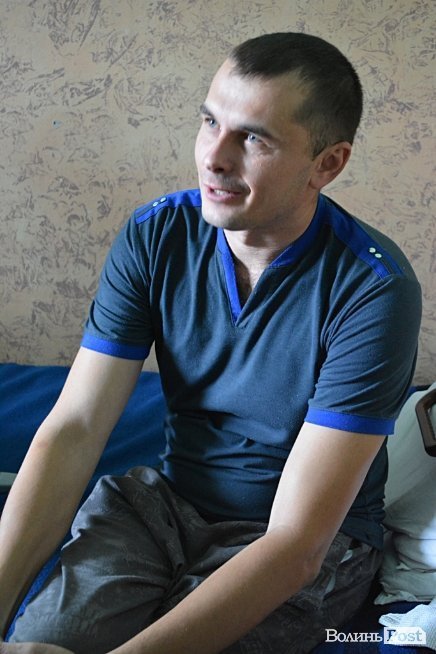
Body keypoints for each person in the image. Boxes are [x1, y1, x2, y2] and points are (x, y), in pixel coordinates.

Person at [0, 32, 421, 654]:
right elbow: (75, 429)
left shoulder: (374, 288)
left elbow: (297, 546)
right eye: (209, 122)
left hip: (288, 539)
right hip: (160, 508)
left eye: (254, 138)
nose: (214, 158)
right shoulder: (156, 235)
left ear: (327, 164)